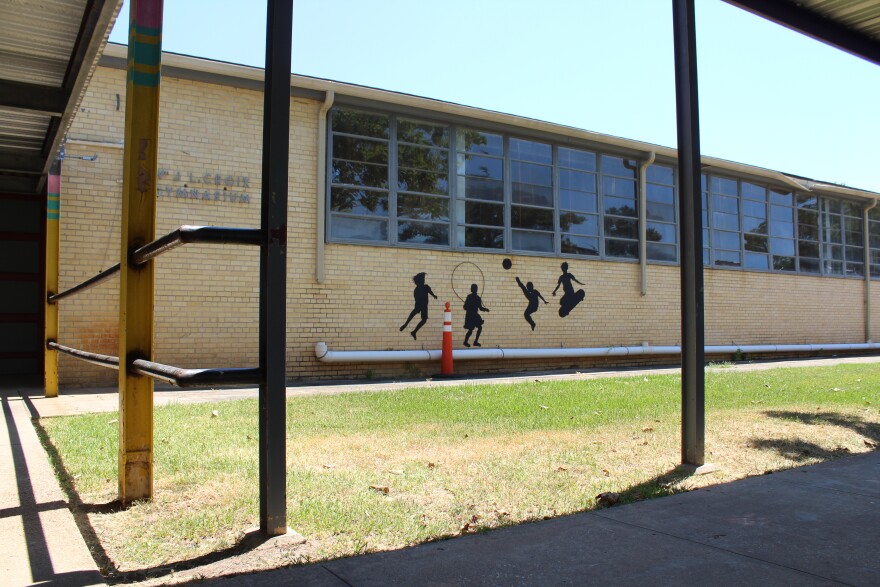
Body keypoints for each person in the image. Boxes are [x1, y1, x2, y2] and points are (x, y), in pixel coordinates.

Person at [399, 272, 437, 340]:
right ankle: (406, 325)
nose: (423, 280)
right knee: (414, 314)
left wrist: (434, 295)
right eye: (422, 279)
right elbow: (416, 298)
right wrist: (432, 296)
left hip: (423, 305)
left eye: (424, 279)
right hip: (421, 305)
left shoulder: (425, 287)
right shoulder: (418, 289)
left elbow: (430, 292)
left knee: (423, 319)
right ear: (418, 281)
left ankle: (413, 331)